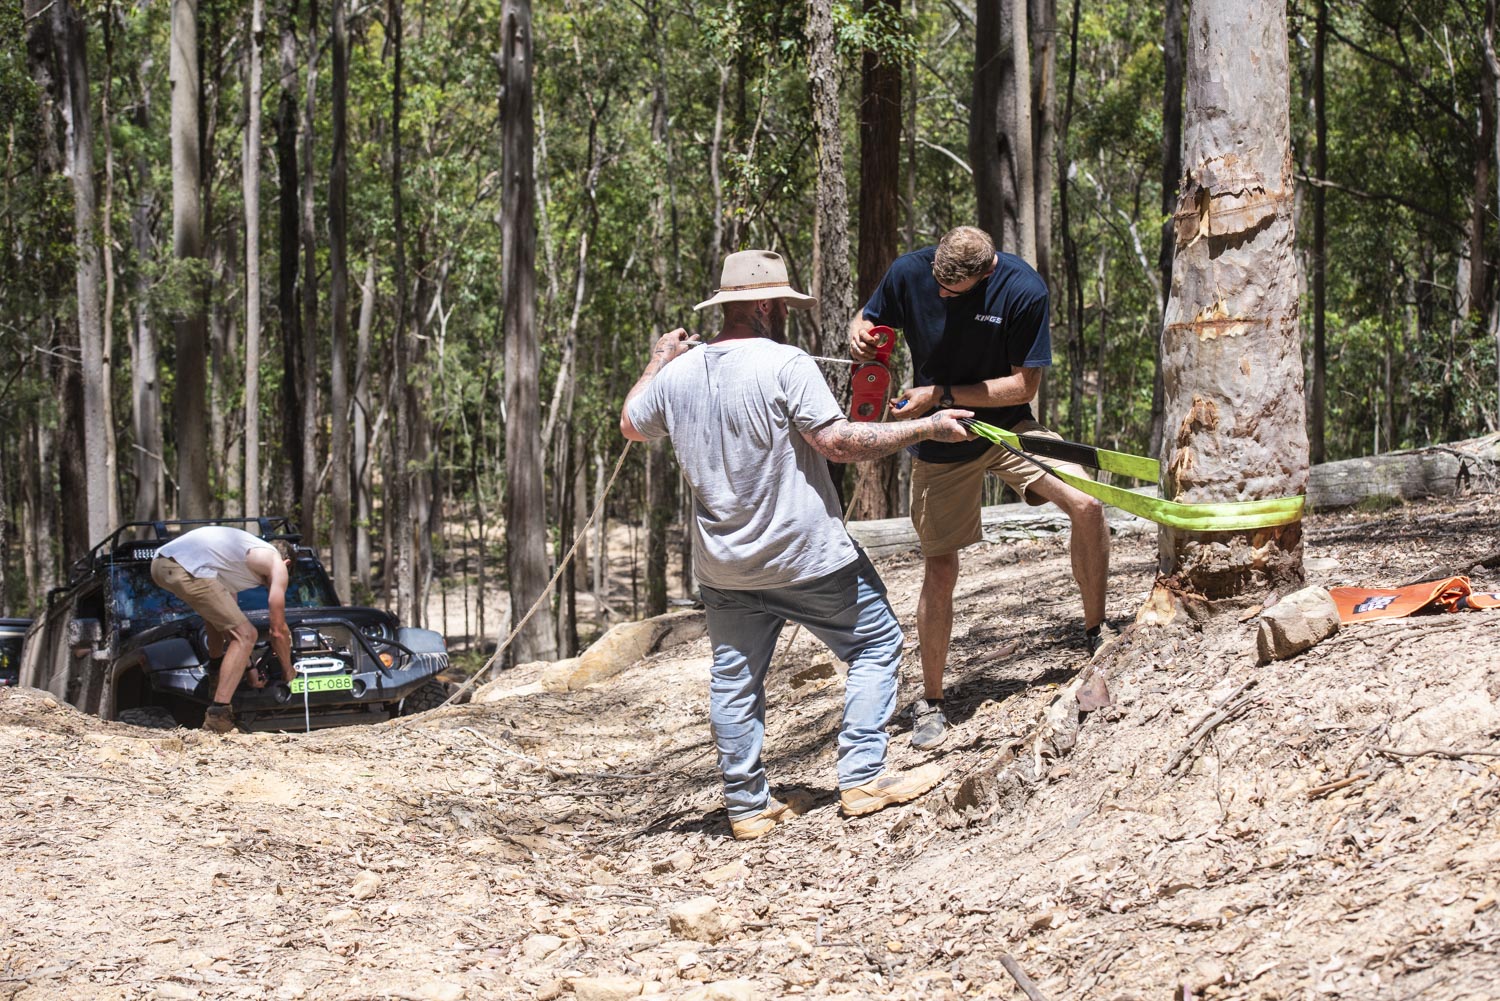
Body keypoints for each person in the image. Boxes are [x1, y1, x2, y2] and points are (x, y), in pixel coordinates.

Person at [620, 249, 975, 841]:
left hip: (725, 568)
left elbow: (632, 422)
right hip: (804, 557)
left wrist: (658, 361)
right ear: (763, 305)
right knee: (877, 641)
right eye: (781, 304)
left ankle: (747, 807)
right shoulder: (786, 363)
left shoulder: (677, 374)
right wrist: (924, 427)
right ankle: (863, 778)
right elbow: (836, 443)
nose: (785, 314)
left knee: (734, 679)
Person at [849, 226, 1112, 750]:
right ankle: (932, 700)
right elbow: (869, 316)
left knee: (1087, 503)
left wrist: (939, 392)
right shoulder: (910, 270)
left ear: (987, 273)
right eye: (939, 286)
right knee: (941, 564)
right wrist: (860, 328)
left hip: (1009, 428)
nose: (943, 296)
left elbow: (1023, 384)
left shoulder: (1023, 290)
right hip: (941, 441)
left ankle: (1096, 634)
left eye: (957, 291)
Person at [150, 526, 296, 733]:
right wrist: (287, 668)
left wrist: (249, 668)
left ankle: (216, 671)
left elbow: (223, 623)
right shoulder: (276, 563)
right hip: (181, 565)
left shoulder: (231, 563)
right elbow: (278, 630)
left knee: (234, 629)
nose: (268, 586)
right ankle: (218, 717)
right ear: (287, 564)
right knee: (248, 634)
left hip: (161, 564)